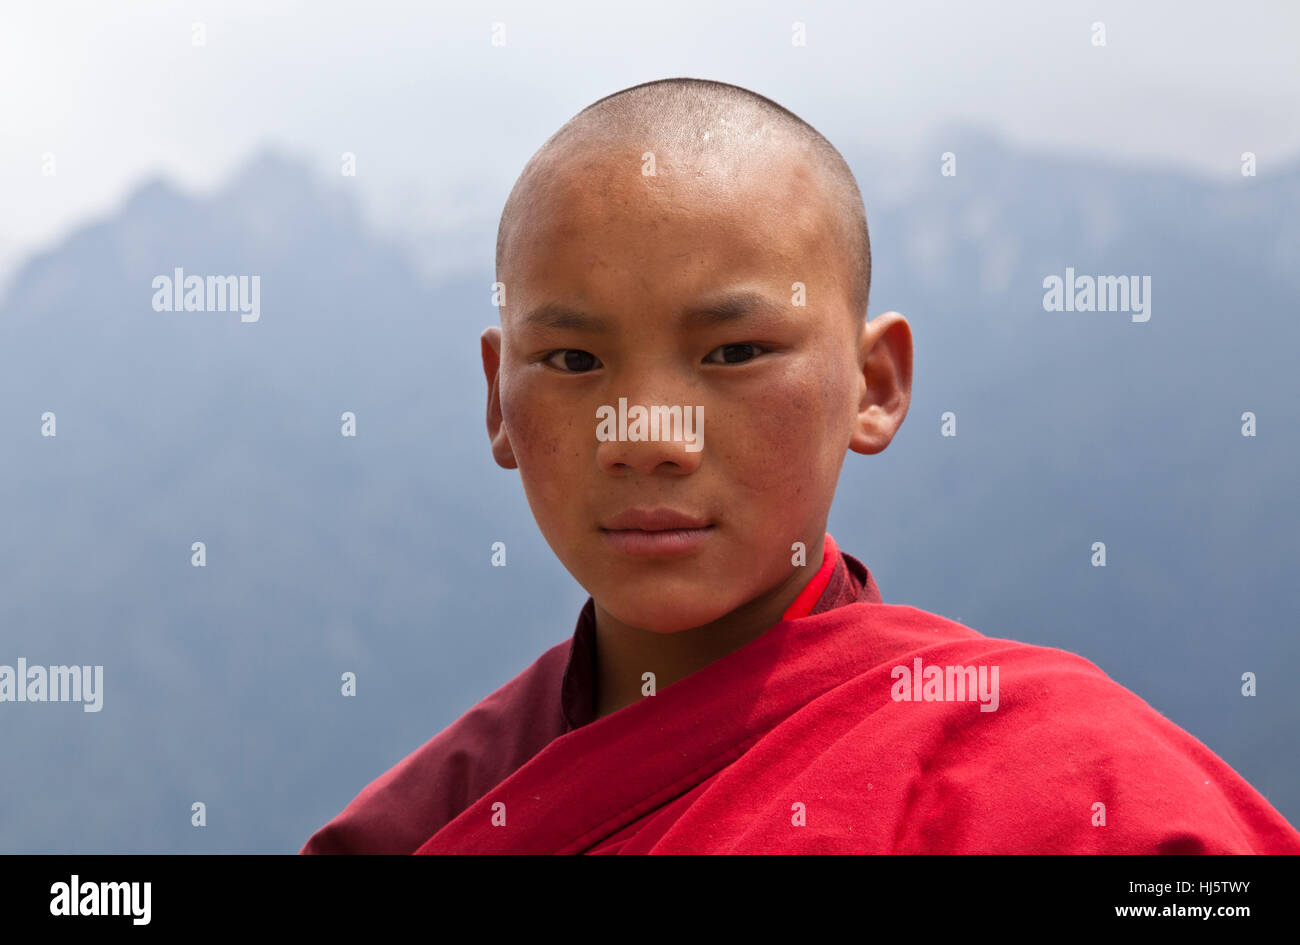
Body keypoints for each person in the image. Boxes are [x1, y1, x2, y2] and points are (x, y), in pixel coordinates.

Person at [301, 78, 1300, 854]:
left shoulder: (1068, 779)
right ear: (497, 399)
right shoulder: (429, 822)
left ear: (874, 385)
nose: (645, 433)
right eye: (572, 361)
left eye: (734, 354)